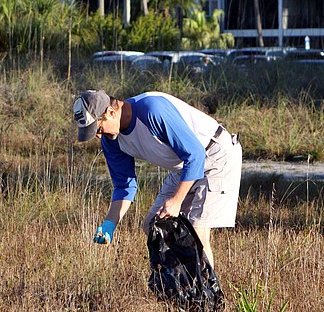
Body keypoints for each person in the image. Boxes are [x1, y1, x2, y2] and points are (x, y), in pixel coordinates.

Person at [73, 90, 242, 268]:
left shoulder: (152, 110)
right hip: (183, 166)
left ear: (111, 112)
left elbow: (195, 155)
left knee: (197, 231)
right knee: (152, 226)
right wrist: (110, 223)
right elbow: (124, 185)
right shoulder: (111, 140)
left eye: (98, 128)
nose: (98, 136)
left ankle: (206, 293)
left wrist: (176, 201)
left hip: (214, 156)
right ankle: (183, 283)